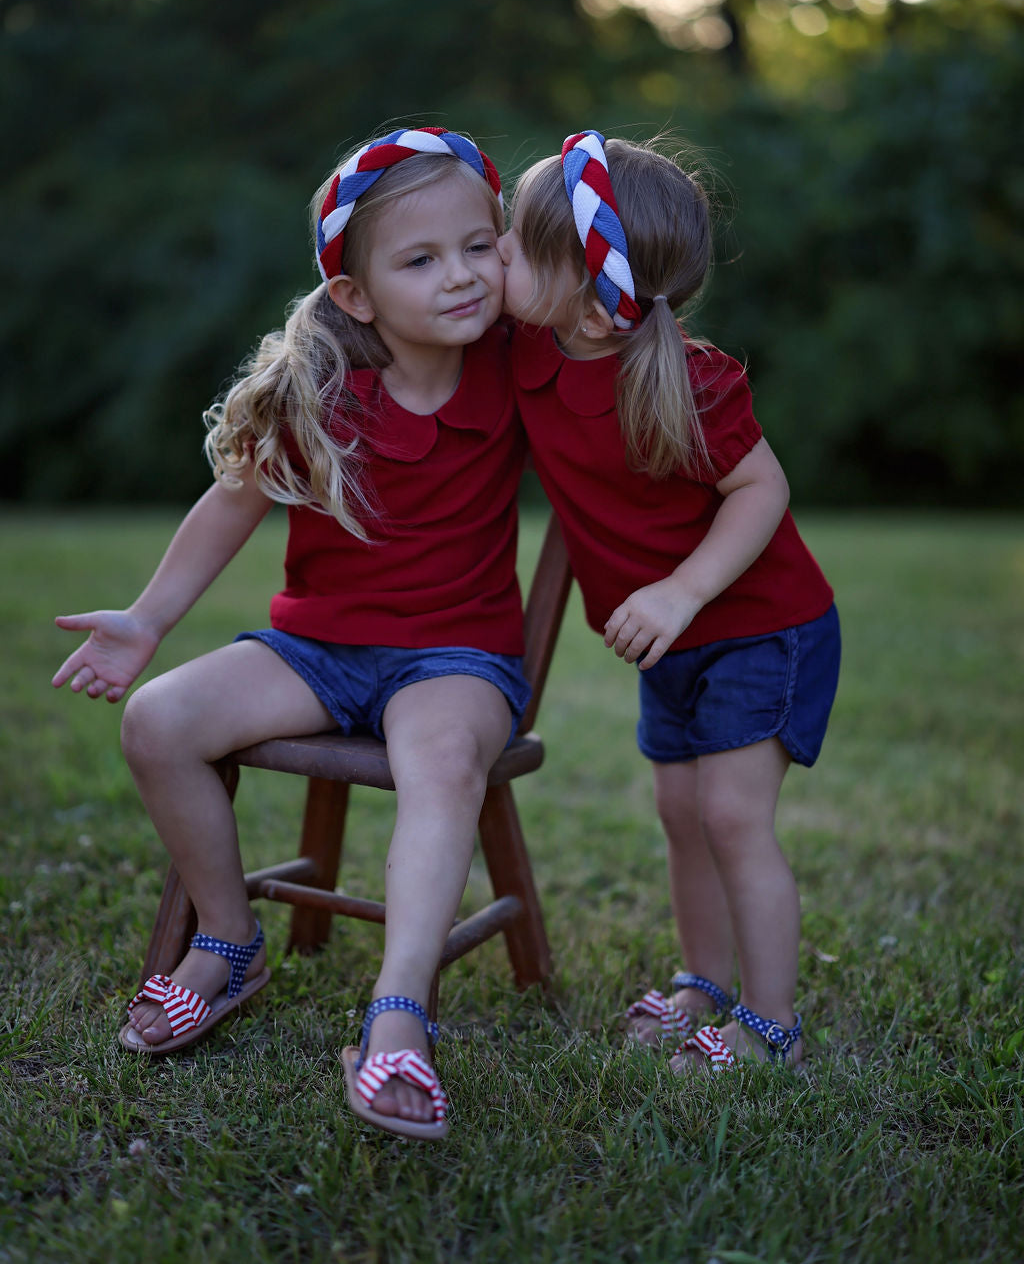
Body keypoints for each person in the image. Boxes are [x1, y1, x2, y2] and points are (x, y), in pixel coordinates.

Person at [53, 127, 530, 1138]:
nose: (462, 276)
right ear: (356, 294)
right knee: (160, 719)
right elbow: (232, 503)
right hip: (316, 650)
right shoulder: (318, 386)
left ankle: (398, 1013)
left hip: (457, 655)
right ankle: (228, 942)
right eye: (420, 258)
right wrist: (146, 619)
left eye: (479, 245)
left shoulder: (519, 363)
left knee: (442, 761)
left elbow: (609, 363)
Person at [497, 131, 840, 1071]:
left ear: (588, 288)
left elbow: (760, 490)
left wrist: (684, 589)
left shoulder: (687, 378)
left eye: (517, 244)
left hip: (761, 626)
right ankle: (704, 980)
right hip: (672, 640)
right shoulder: (527, 347)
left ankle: (770, 1027)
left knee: (731, 816)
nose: (496, 255)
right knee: (680, 812)